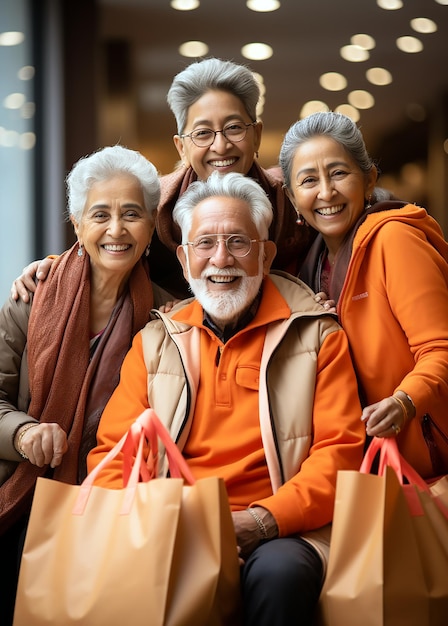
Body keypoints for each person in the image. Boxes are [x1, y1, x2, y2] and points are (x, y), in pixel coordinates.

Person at [87, 171, 365, 626]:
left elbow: (339, 454)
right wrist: (168, 528)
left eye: (239, 241)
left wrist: (261, 521)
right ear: (183, 258)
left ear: (266, 254)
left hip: (284, 528)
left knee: (280, 576)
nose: (221, 258)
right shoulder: (156, 342)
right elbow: (112, 456)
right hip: (171, 525)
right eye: (205, 244)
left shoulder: (317, 335)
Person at [0, 145, 172, 625]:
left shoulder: (169, 318)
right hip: (21, 490)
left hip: (114, 501)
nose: (116, 230)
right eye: (101, 214)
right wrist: (22, 432)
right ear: (76, 224)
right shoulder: (29, 300)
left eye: (131, 214)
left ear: (151, 224)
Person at [12, 57, 316, 302]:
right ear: (181, 146)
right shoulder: (154, 203)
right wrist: (52, 267)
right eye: (202, 133)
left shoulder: (293, 196)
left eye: (234, 128)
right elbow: (107, 243)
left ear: (257, 135)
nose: (220, 146)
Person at [279, 110, 448, 479]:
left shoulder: (395, 239)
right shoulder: (311, 266)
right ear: (293, 199)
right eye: (309, 180)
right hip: (357, 460)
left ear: (369, 179)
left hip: (420, 456)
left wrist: (406, 402)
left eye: (339, 173)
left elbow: (441, 348)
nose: (326, 192)